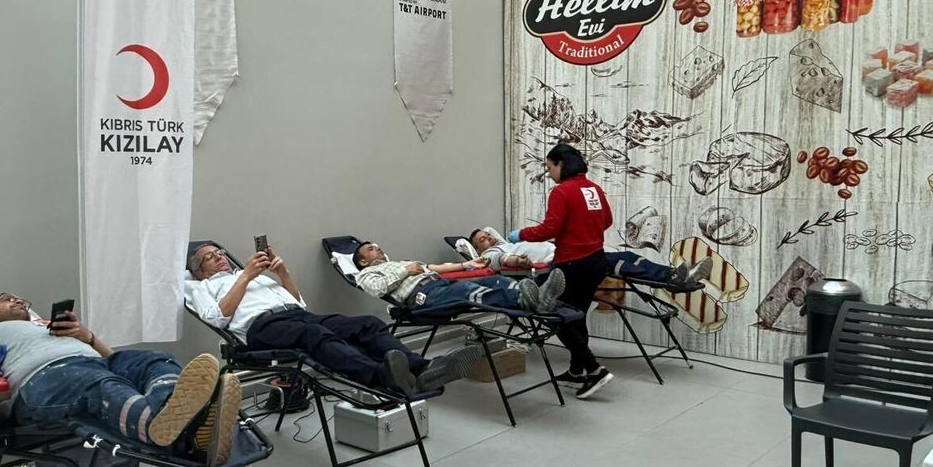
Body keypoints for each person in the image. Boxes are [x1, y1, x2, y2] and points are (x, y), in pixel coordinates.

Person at [0, 293, 240, 466]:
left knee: (153, 360)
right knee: (102, 387)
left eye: (20, 299)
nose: (17, 300)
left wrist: (88, 337)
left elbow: (111, 358)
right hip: (45, 379)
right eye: (7, 299)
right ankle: (175, 429)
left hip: (98, 363)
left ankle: (173, 420)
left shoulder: (47, 325)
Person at [186, 243, 481, 397]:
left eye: (220, 252)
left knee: (367, 324)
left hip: (297, 315)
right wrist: (247, 276)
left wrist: (282, 273)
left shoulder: (251, 275)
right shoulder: (202, 287)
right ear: (199, 270)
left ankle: (423, 368)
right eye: (210, 257)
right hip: (261, 328)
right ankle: (381, 376)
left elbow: (298, 302)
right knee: (314, 336)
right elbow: (218, 318)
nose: (220, 257)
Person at [506, 144, 618, 399]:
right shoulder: (593, 188)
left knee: (557, 317)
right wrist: (583, 231)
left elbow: (549, 229)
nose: (549, 173)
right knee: (577, 316)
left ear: (561, 164)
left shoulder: (561, 191)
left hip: (572, 264)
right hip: (596, 261)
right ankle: (577, 371)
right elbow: (607, 221)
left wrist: (520, 234)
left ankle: (594, 370)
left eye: (549, 167)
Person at [351, 242, 566, 315]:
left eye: (376, 246)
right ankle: (524, 299)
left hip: (439, 284)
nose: (377, 247)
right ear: (363, 261)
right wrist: (405, 271)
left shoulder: (399, 262)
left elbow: (434, 267)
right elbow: (378, 288)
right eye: (370, 248)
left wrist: (467, 264)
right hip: (421, 297)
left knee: (492, 281)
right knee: (466, 292)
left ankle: (536, 296)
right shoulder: (364, 275)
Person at [468, 228, 712, 286]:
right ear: (477, 249)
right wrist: (518, 261)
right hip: (552, 270)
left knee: (625, 254)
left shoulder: (512, 242)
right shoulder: (491, 254)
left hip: (565, 257)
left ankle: (675, 274)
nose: (486, 237)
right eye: (481, 239)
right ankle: (672, 278)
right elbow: (503, 262)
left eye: (487, 235)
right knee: (612, 263)